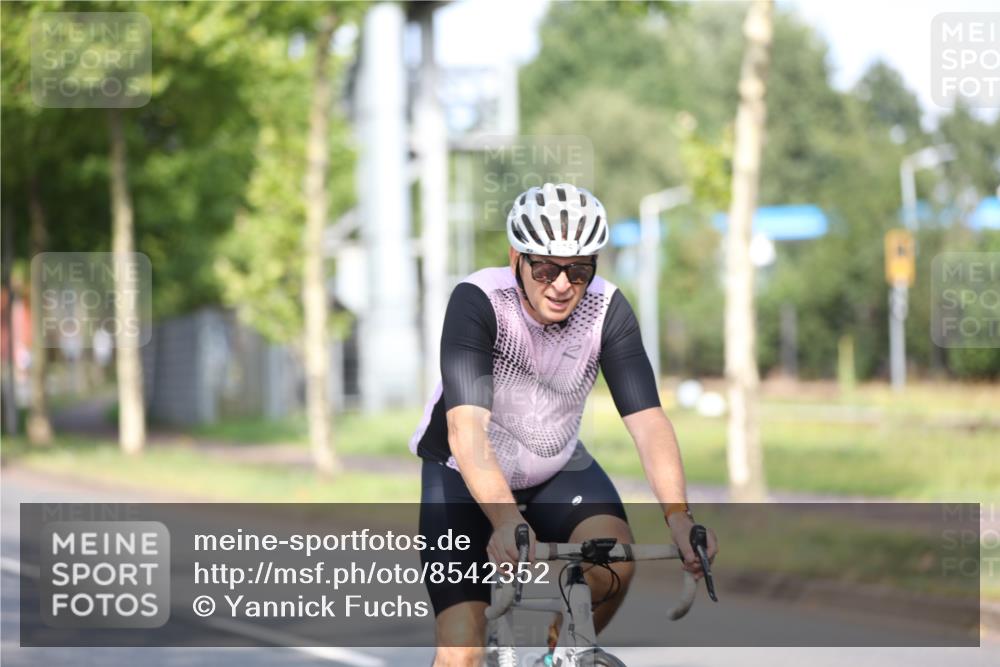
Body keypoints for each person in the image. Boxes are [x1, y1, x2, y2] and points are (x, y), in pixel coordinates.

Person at [410, 182, 718, 666]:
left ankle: (560, 656)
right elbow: (466, 432)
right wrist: (506, 518)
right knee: (460, 647)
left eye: (578, 270)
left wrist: (679, 518)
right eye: (545, 267)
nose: (561, 284)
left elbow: (649, 422)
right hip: (463, 478)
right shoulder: (479, 301)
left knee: (615, 560)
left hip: (555, 468)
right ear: (515, 256)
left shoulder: (607, 310)